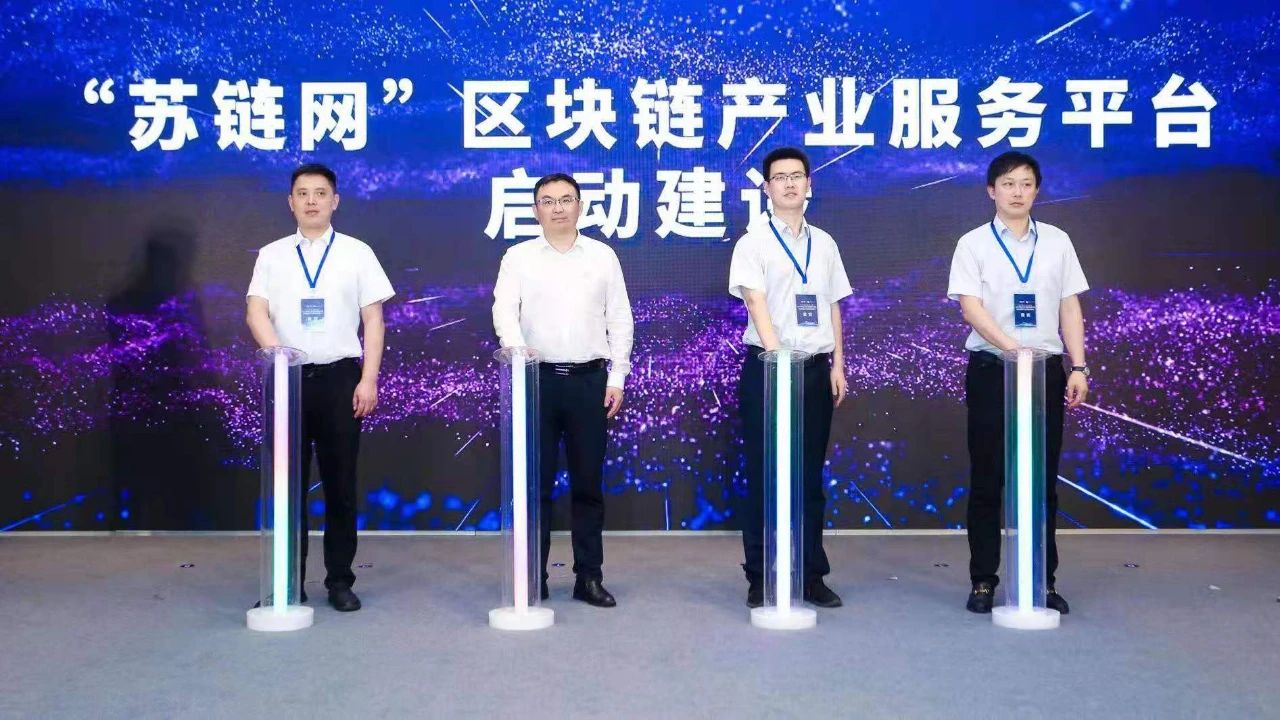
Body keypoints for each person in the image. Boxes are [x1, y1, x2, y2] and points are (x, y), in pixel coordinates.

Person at [946, 151, 1090, 615]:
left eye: (1026, 184)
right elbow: (970, 307)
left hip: (1045, 370)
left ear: (1037, 190)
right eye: (1008, 184)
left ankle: (1042, 581)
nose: (1017, 192)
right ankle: (983, 581)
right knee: (988, 478)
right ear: (992, 191)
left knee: (1042, 481)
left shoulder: (1058, 241)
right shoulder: (973, 244)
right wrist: (1012, 349)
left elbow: (1069, 306)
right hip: (993, 369)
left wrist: (1079, 366)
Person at [246, 163, 394, 612]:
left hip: (340, 379)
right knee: (287, 488)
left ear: (335, 201)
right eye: (303, 193)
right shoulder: (271, 254)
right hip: (287, 379)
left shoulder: (357, 253)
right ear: (290, 202)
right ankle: (287, 582)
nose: (312, 201)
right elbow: (256, 312)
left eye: (321, 192)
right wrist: (279, 357)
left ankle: (340, 581)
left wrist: (369, 378)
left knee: (340, 486)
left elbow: (374, 320)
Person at [491, 172, 634, 608]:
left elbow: (620, 318)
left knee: (588, 485)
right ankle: (531, 577)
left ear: (580, 206)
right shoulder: (518, 257)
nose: (558, 208)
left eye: (566, 199)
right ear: (536, 209)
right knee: (535, 487)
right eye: (548, 201)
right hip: (537, 382)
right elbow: (504, 311)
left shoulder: (603, 256)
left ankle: (588, 577)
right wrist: (519, 357)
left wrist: (617, 377)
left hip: (590, 382)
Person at [728, 147, 852, 609]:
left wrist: (838, 364)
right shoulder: (753, 242)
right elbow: (755, 301)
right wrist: (778, 356)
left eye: (796, 176)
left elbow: (833, 304)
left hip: (816, 369)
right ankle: (760, 574)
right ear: (767, 188)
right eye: (779, 177)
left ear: (809, 184)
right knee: (765, 475)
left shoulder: (825, 243)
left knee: (809, 477)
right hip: (768, 368)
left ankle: (811, 573)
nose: (789, 184)